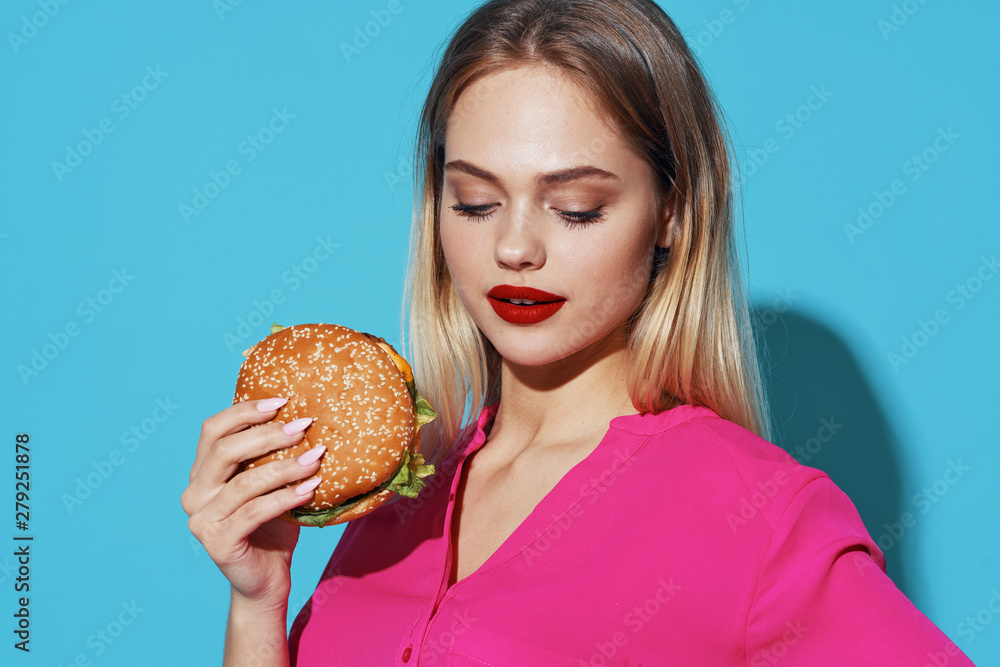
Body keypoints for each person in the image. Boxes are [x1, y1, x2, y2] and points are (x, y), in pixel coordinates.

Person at [182, 0, 978, 664]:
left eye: (575, 208)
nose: (515, 248)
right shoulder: (396, 497)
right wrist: (259, 601)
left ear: (672, 210)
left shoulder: (760, 517)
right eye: (474, 201)